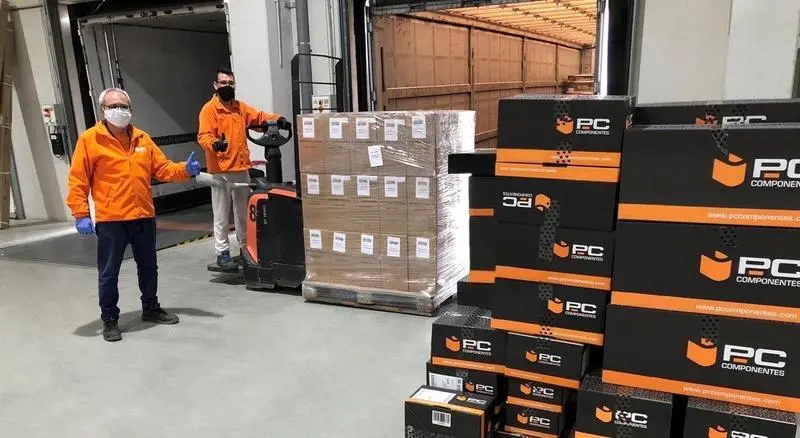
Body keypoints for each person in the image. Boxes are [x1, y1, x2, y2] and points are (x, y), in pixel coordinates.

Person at [66, 88, 202, 342]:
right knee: (109, 273)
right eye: (113, 106)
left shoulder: (142, 138)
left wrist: (185, 169)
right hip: (112, 220)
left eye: (124, 106)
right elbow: (78, 180)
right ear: (103, 110)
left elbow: (162, 168)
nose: (119, 110)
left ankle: (150, 307)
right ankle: (109, 319)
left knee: (149, 267)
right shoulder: (89, 140)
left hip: (143, 216)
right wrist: (80, 213)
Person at [198, 67, 290, 270]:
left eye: (230, 83)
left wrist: (277, 120)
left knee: (243, 213)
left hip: (240, 167)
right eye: (223, 83)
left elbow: (258, 117)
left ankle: (244, 248)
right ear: (215, 85)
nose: (227, 86)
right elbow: (203, 135)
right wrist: (214, 144)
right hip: (221, 170)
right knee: (221, 215)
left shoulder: (239, 108)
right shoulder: (209, 110)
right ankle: (222, 252)